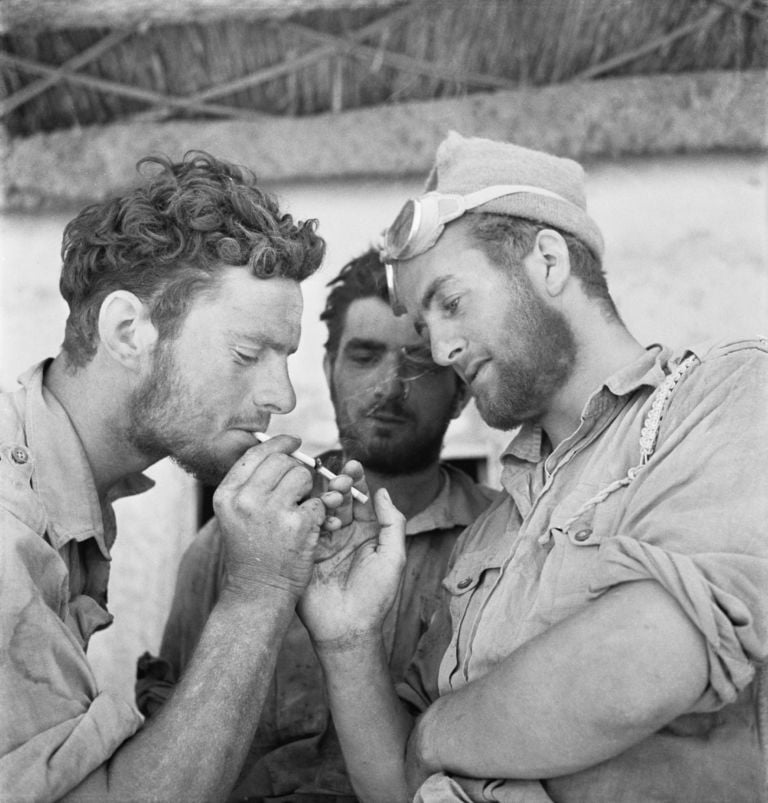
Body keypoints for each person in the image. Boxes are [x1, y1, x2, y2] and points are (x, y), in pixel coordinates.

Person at [297, 132, 768, 802]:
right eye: (425, 325)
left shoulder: (726, 396)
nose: (441, 346)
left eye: (451, 302)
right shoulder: (490, 532)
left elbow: (640, 666)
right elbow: (394, 785)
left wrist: (433, 736)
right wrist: (347, 638)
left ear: (547, 261)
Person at [0, 151, 382, 802]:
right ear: (128, 330)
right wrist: (261, 588)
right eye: (246, 353)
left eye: (284, 356)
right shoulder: (9, 531)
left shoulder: (64, 488)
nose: (282, 397)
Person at [136, 249, 498, 800]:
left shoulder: (506, 545)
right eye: (365, 355)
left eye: (420, 361)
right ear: (328, 370)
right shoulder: (235, 543)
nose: (391, 383)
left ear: (460, 392)